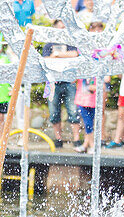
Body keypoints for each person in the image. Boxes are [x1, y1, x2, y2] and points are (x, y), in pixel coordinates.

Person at [41, 21, 81, 149]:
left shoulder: (71, 43)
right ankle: (59, 139)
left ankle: (76, 139)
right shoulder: (48, 45)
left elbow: (75, 54)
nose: (62, 30)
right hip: (53, 83)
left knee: (73, 111)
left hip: (69, 82)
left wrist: (57, 55)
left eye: (64, 28)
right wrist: (58, 57)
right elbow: (45, 61)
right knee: (54, 113)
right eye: (60, 28)